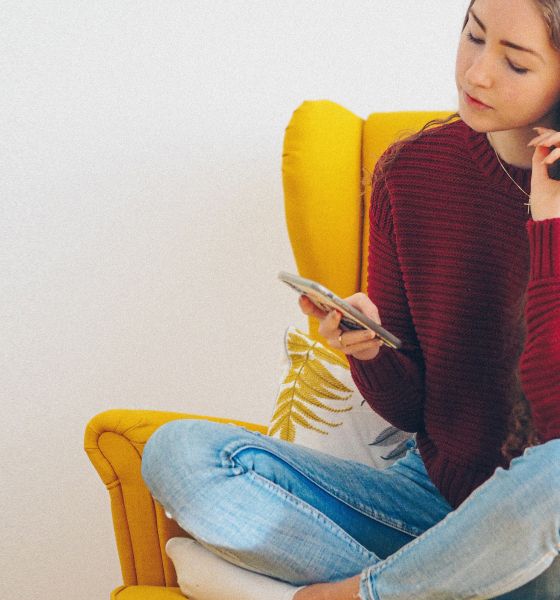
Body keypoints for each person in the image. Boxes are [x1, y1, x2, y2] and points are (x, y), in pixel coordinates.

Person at [140, 0, 560, 598]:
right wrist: (369, 350)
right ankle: (441, 583)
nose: (476, 74)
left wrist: (550, 229)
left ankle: (366, 593)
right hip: (433, 498)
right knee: (179, 455)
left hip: (546, 519)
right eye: (473, 36)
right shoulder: (412, 172)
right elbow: (412, 412)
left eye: (515, 64)